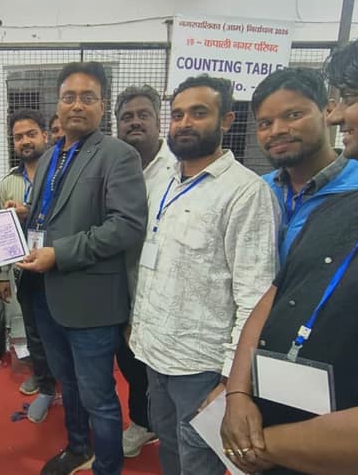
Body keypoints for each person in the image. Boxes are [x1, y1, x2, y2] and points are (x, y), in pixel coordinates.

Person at [221, 20, 358, 475]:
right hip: (275, 437)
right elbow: (274, 296)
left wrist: (258, 446)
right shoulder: (337, 210)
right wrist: (238, 393)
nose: (338, 117)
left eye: (354, 98)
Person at [129, 75, 278, 475]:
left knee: (198, 459)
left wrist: (232, 381)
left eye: (198, 113)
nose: (184, 123)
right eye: (177, 114)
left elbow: (255, 297)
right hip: (154, 352)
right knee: (168, 443)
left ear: (226, 120)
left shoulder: (245, 193)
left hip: (202, 366)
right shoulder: (163, 181)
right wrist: (138, 328)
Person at [17, 62, 148, 475]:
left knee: (98, 396)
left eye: (87, 97)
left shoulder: (118, 155)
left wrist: (59, 253)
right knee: (68, 385)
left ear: (102, 106)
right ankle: (77, 448)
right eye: (69, 97)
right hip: (45, 292)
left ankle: (107, 466)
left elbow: (126, 226)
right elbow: (53, 215)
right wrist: (25, 215)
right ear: (58, 105)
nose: (77, 105)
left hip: (91, 301)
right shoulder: (51, 155)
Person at [253, 67, 358, 263]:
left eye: (293, 115)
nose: (276, 131)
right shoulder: (257, 190)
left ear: (329, 111)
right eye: (265, 123)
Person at [114, 84, 175, 457]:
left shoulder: (178, 169)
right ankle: (142, 422)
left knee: (167, 375)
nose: (135, 122)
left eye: (143, 115)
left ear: (158, 120)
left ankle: (172, 433)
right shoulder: (115, 166)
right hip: (124, 287)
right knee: (131, 364)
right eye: (127, 117)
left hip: (167, 292)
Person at [0, 108, 56, 423]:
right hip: (24, 269)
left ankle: (64, 378)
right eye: (18, 137)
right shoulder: (9, 182)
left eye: (31, 134)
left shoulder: (60, 173)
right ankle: (44, 381)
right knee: (33, 328)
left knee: (60, 328)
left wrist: (29, 211)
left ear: (45, 135)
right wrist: (1, 275)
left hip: (58, 265)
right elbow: (0, 233)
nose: (25, 141)